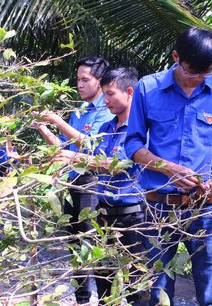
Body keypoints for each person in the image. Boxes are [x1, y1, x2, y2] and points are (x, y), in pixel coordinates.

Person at [124, 27, 212, 305]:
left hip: (203, 207)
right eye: (191, 71)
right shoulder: (148, 88)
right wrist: (168, 168)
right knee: (157, 291)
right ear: (175, 57)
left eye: (205, 72)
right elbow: (133, 144)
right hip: (158, 205)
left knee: (209, 291)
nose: (197, 79)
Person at [51, 67, 147, 305]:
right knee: (104, 286)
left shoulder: (141, 130)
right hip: (103, 214)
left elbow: (119, 165)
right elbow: (93, 161)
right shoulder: (105, 130)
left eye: (111, 94)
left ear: (129, 92)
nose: (106, 100)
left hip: (132, 216)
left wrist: (74, 158)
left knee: (138, 287)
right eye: (104, 94)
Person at [33, 56, 114, 305]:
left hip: (94, 182)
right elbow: (65, 148)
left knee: (93, 245)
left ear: (99, 82)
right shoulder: (79, 111)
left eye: (84, 79)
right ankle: (81, 300)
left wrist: (58, 121)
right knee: (74, 244)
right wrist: (45, 129)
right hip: (73, 183)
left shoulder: (106, 110)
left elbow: (91, 146)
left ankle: (104, 299)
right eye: (77, 79)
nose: (79, 84)